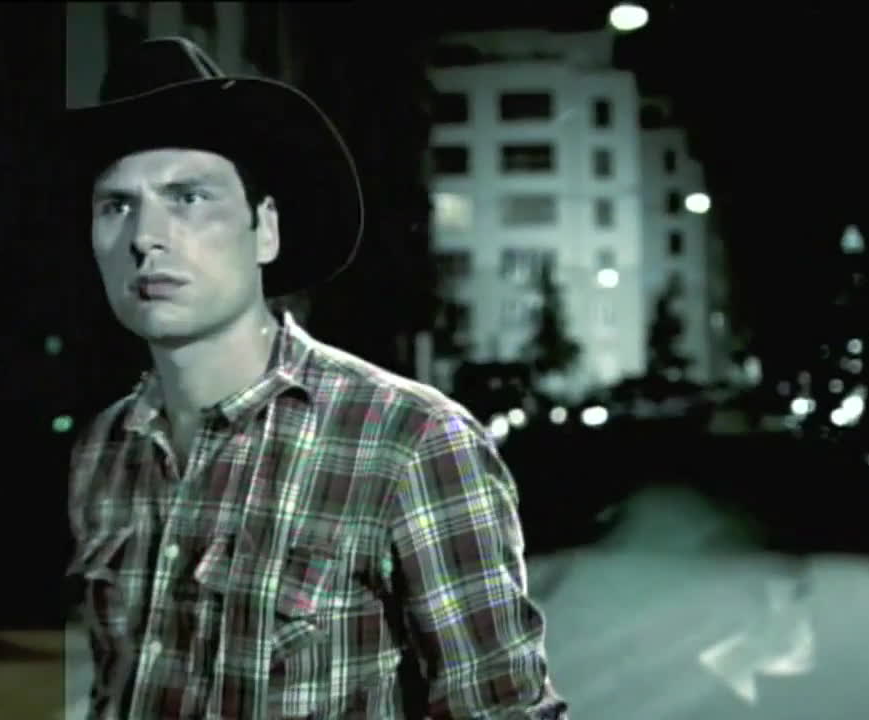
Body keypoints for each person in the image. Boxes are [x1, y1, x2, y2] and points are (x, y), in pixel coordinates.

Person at [64, 37, 569, 720]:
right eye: (116, 206)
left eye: (188, 197)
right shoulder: (103, 450)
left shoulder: (413, 441)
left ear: (265, 230)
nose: (144, 236)